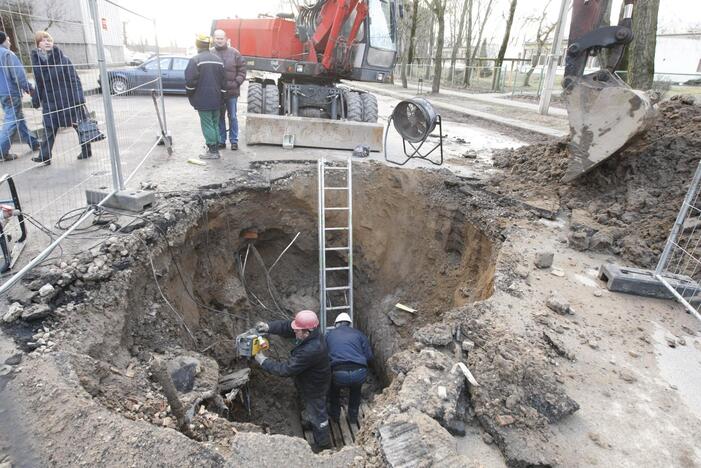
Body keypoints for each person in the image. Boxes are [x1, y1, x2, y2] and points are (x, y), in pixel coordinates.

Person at [254, 310, 332, 450]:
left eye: (297, 331)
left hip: (315, 386)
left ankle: (323, 444)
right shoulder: (310, 330)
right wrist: (269, 327)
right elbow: (288, 327)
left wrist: (263, 361)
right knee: (311, 407)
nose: (294, 333)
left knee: (318, 413)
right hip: (309, 379)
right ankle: (311, 420)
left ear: (306, 333)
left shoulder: (311, 350)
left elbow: (286, 369)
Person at [30, 31, 92, 164]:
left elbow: (74, 79)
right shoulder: (37, 63)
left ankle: (86, 149)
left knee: (78, 125)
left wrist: (79, 98)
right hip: (50, 102)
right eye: (43, 40)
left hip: (68, 99)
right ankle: (44, 156)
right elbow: (39, 83)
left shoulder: (63, 59)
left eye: (49, 40)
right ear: (38, 44)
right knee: (48, 128)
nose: (47, 42)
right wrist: (36, 100)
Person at [325, 313, 372, 425]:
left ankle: (335, 416)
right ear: (349, 324)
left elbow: (323, 357)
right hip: (359, 373)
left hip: (339, 373)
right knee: (356, 391)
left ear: (336, 324)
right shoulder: (359, 334)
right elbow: (369, 356)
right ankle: (352, 417)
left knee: (334, 390)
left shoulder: (328, 335)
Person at [185, 34, 226, 160]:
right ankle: (215, 148)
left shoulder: (195, 60)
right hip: (217, 98)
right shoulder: (218, 60)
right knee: (214, 123)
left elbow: (190, 81)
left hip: (203, 99)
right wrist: (223, 96)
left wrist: (190, 95)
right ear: (208, 45)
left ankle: (213, 151)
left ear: (197, 45)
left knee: (207, 124)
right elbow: (223, 81)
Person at [0, 31, 39, 161]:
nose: (10, 42)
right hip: (11, 93)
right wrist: (28, 88)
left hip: (2, 94)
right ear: (3, 40)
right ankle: (1, 151)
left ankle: (34, 143)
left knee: (18, 119)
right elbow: (18, 74)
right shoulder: (7, 54)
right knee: (11, 121)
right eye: (8, 39)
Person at [211, 29, 246, 151]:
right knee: (220, 117)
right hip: (217, 93)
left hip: (232, 92)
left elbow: (242, 71)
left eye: (221, 38)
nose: (219, 40)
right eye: (217, 38)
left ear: (226, 39)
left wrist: (236, 83)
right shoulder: (210, 53)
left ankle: (234, 140)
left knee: (233, 117)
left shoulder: (235, 53)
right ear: (214, 39)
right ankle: (221, 140)